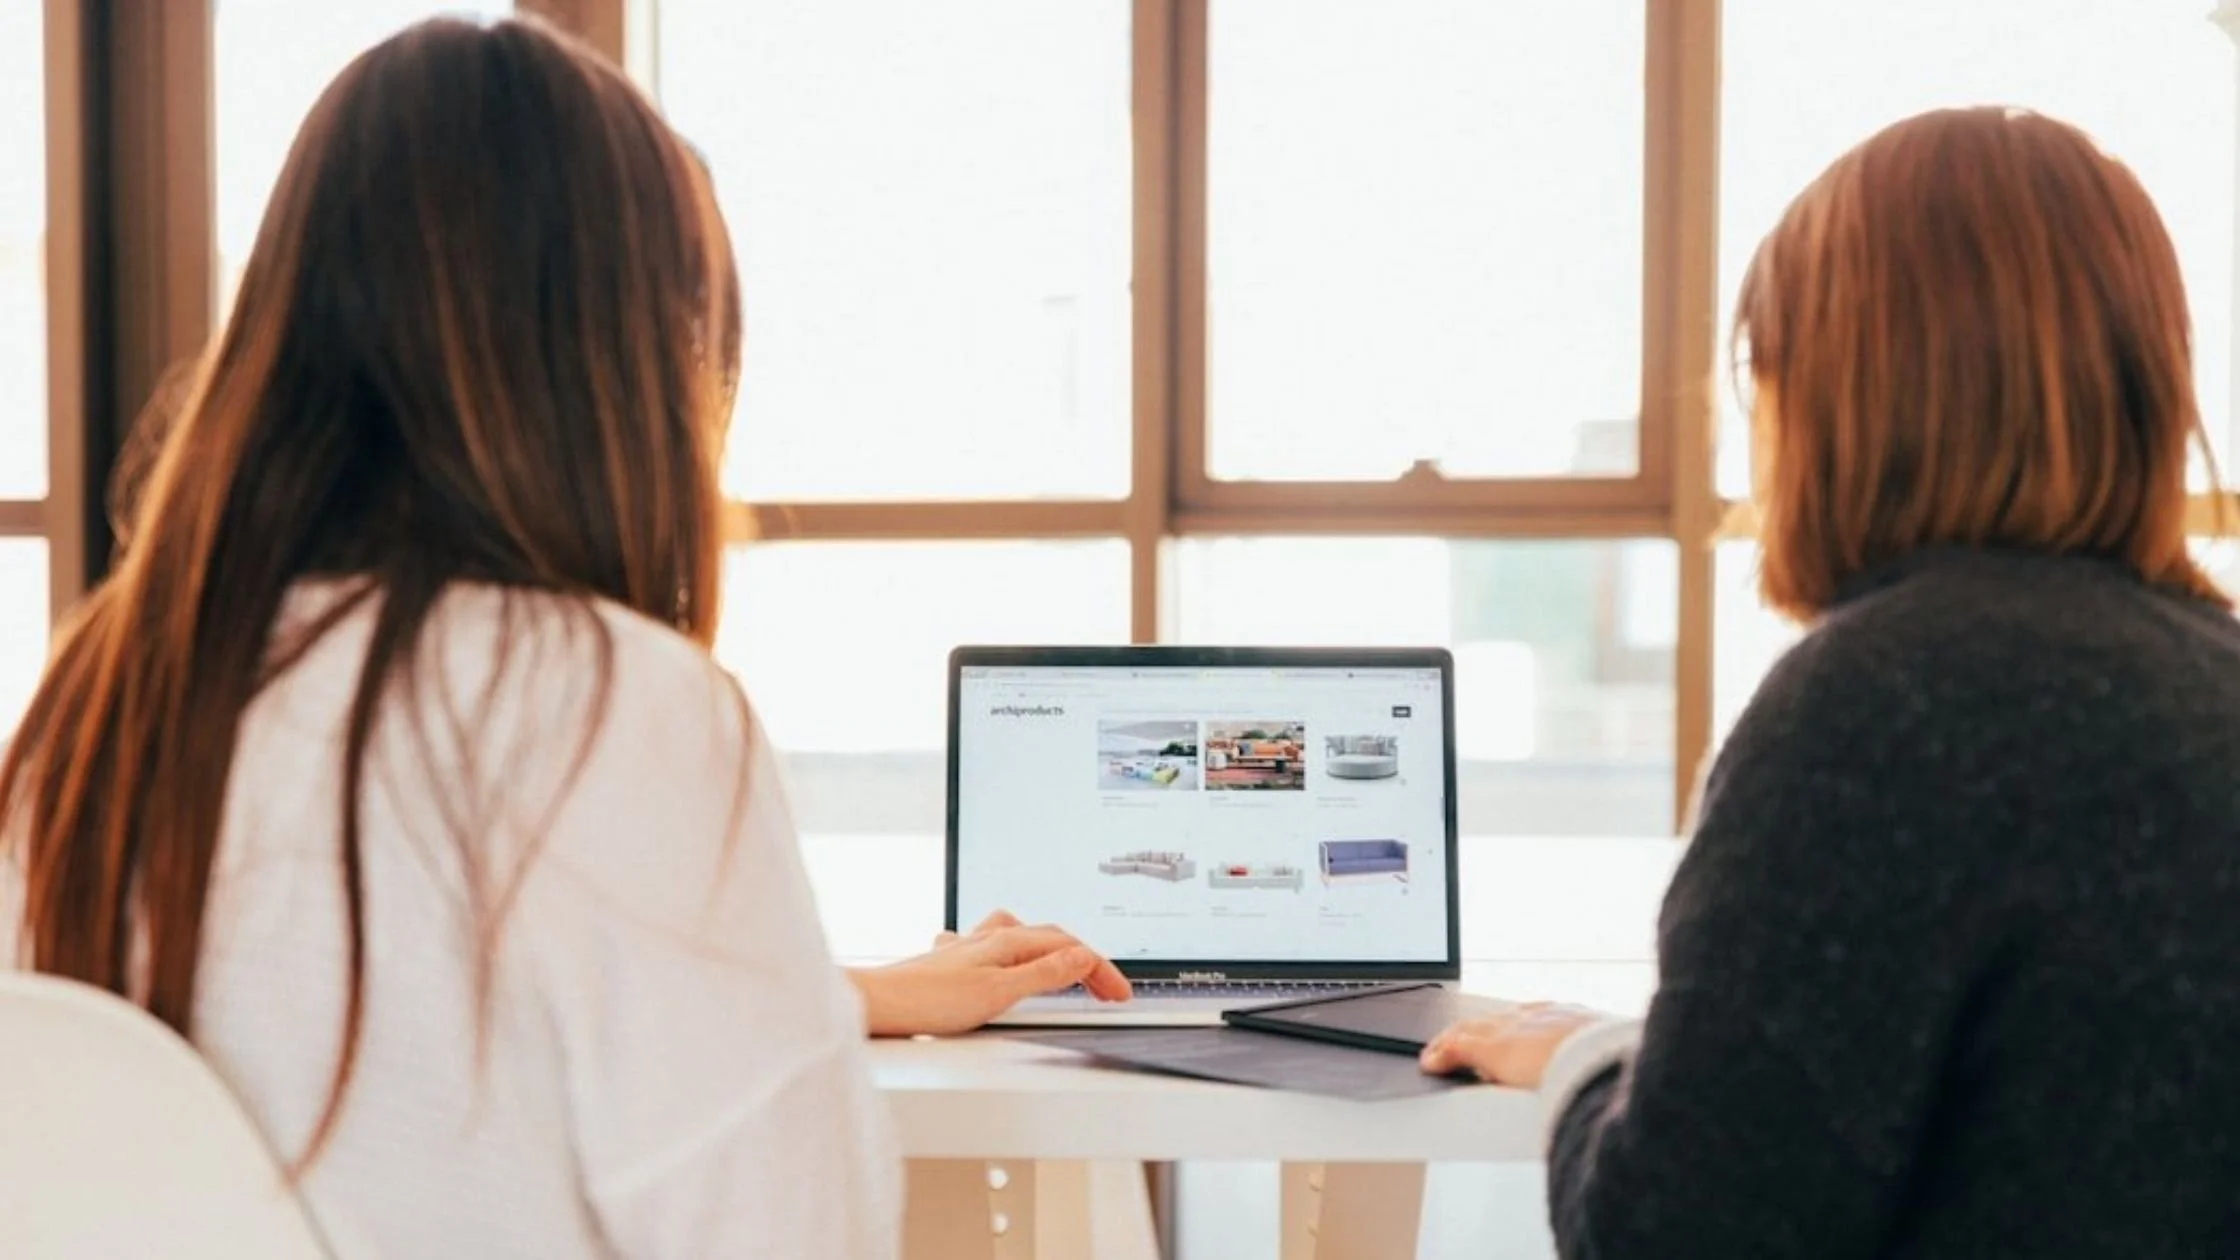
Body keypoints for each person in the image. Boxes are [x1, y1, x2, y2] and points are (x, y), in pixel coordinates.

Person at [0, 16, 1122, 1259]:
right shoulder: (608, 707)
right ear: (624, 365)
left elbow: (360, 1047)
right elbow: (791, 1231)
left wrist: (834, 992)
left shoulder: (95, 708)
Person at [1424, 107, 2240, 1256]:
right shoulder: (2213, 677)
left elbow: (1669, 1236)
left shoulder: (1881, 701)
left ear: (1832, 392)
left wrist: (1585, 1064)